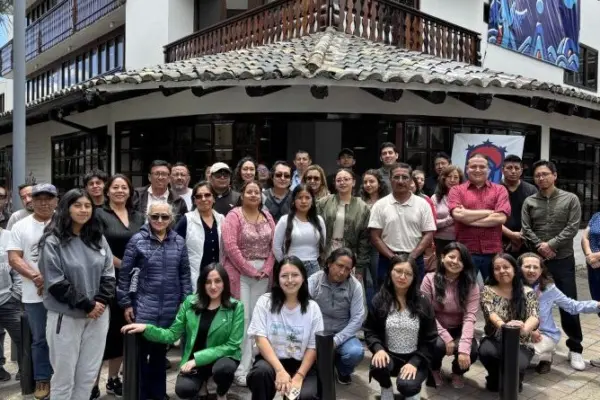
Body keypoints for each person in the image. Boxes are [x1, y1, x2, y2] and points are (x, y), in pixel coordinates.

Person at [121, 263, 244, 400]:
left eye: (217, 281)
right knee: (184, 389)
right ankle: (202, 385)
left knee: (224, 369)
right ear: (202, 284)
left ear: (225, 283)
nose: (213, 286)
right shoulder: (190, 303)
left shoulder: (236, 307)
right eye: (208, 282)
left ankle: (221, 392)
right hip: (195, 361)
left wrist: (197, 360)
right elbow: (172, 334)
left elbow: (232, 345)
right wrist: (147, 328)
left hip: (220, 359)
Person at [38, 189, 116, 400]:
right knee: (64, 378)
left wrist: (100, 301)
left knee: (88, 376)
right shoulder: (52, 241)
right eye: (78, 205)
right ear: (66, 208)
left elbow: (109, 273)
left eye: (88, 206)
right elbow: (55, 282)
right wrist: (87, 305)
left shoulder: (97, 238)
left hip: (98, 316)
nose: (83, 210)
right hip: (67, 316)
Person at [118, 202, 192, 400]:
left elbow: (185, 275)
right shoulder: (137, 240)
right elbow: (124, 275)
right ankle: (141, 393)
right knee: (141, 355)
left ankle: (159, 393)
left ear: (171, 219)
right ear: (148, 217)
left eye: (164, 217)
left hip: (170, 307)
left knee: (160, 354)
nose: (159, 220)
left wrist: (185, 302)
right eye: (155, 216)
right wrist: (126, 303)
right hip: (143, 305)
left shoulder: (179, 242)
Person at [521, 160, 584, 370]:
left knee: (568, 303)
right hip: (537, 263)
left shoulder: (570, 199)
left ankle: (575, 348)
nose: (541, 178)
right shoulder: (530, 201)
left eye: (545, 174)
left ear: (554, 175)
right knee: (534, 304)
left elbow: (573, 227)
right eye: (537, 175)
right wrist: (541, 246)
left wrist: (551, 245)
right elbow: (526, 228)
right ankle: (540, 347)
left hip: (563, 259)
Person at [92, 174, 145, 399]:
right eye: (115, 187)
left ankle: (113, 379)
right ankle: (92, 383)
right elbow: (97, 246)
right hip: (107, 281)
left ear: (130, 191)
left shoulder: (138, 216)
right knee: (101, 335)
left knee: (123, 331)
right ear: (107, 191)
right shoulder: (98, 214)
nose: (120, 191)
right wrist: (123, 265)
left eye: (124, 187)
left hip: (133, 282)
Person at [246, 256, 324, 400]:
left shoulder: (313, 308)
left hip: (302, 365)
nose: (290, 280)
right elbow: (260, 338)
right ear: (277, 278)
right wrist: (280, 370)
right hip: (271, 361)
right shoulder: (265, 302)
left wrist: (299, 376)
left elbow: (313, 347)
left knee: (308, 396)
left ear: (303, 277)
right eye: (284, 276)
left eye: (295, 275)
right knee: (260, 374)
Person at [221, 180, 276, 385]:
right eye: (249, 192)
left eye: (257, 192)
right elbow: (230, 247)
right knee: (243, 319)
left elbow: (274, 245)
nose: (253, 195)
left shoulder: (267, 216)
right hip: (240, 274)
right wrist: (250, 270)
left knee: (258, 319)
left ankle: (254, 363)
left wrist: (267, 268)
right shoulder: (233, 215)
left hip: (263, 275)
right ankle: (241, 369)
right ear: (242, 195)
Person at [7, 183, 58, 400]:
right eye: (39, 199)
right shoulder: (20, 226)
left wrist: (52, 281)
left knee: (63, 337)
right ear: (31, 201)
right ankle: (42, 378)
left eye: (49, 198)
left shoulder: (65, 222)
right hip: (33, 294)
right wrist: (37, 277)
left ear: (56, 201)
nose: (44, 203)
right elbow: (14, 258)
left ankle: (62, 377)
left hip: (63, 293)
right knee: (40, 338)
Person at [364, 254, 438, 400]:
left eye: (408, 273)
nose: (402, 277)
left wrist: (415, 362)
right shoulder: (380, 299)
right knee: (378, 366)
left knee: (407, 386)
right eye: (398, 271)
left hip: (415, 356)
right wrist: (378, 349)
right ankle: (386, 387)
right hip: (388, 354)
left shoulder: (422, 302)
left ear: (414, 277)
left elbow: (430, 338)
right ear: (390, 272)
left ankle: (413, 390)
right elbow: (370, 331)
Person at [520, 252, 600, 374]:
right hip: (522, 331)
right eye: (527, 266)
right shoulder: (512, 287)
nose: (531, 270)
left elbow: (572, 306)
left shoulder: (549, 289)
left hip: (544, 334)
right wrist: (530, 330)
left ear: (541, 270)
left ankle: (546, 356)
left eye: (535, 267)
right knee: (510, 350)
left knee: (526, 353)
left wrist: (597, 305)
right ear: (518, 268)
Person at [420, 242, 479, 388]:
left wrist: (464, 349)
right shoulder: (429, 279)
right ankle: (433, 369)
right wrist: (446, 338)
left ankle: (457, 372)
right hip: (435, 327)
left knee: (471, 351)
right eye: (451, 257)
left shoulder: (472, 284)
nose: (455, 262)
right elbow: (427, 314)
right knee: (436, 346)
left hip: (459, 328)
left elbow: (470, 317)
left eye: (461, 259)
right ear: (442, 257)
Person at [479, 253, 539, 392]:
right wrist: (505, 327)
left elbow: (534, 316)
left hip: (521, 342)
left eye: (506, 267)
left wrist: (523, 329)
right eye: (497, 268)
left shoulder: (528, 292)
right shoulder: (487, 290)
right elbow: (490, 312)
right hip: (495, 338)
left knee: (516, 366)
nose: (502, 271)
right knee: (487, 353)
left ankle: (517, 377)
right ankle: (495, 377)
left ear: (514, 269)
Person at [369, 163, 436, 285]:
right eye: (396, 177)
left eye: (405, 177)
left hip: (415, 259)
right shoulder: (380, 205)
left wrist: (412, 256)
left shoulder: (423, 204)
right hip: (387, 259)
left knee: (415, 294)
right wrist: (392, 257)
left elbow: (428, 234)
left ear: (411, 180)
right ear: (390, 180)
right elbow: (374, 236)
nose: (400, 181)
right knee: (385, 295)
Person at [448, 153, 511, 281]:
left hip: (493, 251)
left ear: (489, 170)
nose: (477, 170)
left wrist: (467, 219)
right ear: (467, 169)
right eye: (473, 166)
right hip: (465, 252)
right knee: (464, 288)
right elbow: (458, 214)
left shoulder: (500, 190)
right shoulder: (456, 190)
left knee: (495, 288)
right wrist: (489, 212)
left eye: (482, 167)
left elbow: (500, 218)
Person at [308, 248, 365, 384]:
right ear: (329, 263)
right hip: (317, 333)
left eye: (347, 269)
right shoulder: (315, 280)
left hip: (342, 333)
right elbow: (302, 307)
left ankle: (343, 370)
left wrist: (336, 340)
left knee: (355, 353)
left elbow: (358, 318)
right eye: (339, 266)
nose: (342, 272)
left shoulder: (355, 286)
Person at [317, 169, 370, 284]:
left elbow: (364, 239)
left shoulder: (362, 207)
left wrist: (360, 266)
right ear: (335, 183)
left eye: (346, 179)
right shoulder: (323, 203)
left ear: (353, 182)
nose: (342, 182)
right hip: (327, 250)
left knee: (348, 286)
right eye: (339, 180)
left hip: (350, 252)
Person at [175, 181, 225, 291]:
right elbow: (175, 248)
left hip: (217, 277)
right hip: (195, 276)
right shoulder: (187, 220)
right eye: (198, 196)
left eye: (207, 195)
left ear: (214, 198)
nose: (203, 199)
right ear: (194, 200)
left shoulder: (222, 219)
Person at [273, 184, 326, 277]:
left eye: (307, 198)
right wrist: (285, 263)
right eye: (300, 198)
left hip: (314, 266)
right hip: (292, 266)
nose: (303, 201)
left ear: (312, 201)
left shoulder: (319, 220)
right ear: (293, 201)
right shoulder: (285, 220)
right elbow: (276, 247)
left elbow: (323, 243)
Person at [501, 155, 537, 258]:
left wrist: (520, 236)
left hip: (526, 241)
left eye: (517, 168)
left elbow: (535, 216)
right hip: (500, 241)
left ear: (521, 171)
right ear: (502, 170)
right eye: (509, 168)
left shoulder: (531, 190)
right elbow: (491, 217)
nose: (513, 171)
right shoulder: (495, 189)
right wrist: (511, 235)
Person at [0, 220, 22, 382]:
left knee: (21, 336)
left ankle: (25, 369)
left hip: (9, 299)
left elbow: (17, 266)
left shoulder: (9, 236)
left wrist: (16, 294)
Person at [431, 165, 464, 251]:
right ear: (444, 179)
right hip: (440, 240)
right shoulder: (435, 198)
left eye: (456, 177)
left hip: (461, 240)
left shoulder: (465, 197)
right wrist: (450, 220)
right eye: (449, 176)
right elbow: (431, 223)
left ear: (460, 180)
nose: (452, 180)